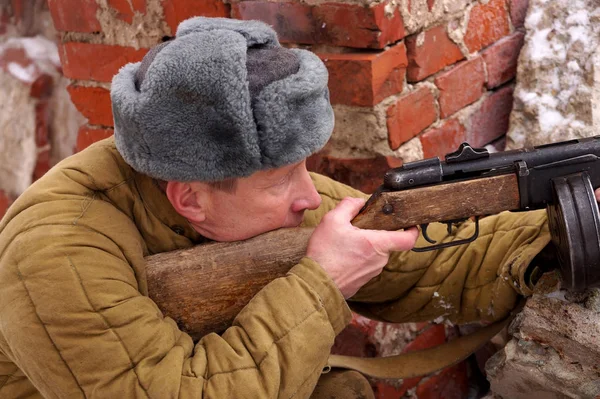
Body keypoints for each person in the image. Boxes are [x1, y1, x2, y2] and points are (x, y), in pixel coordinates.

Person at [0, 17, 554, 398]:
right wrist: (321, 282)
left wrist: (560, 229)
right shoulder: (54, 253)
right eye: (281, 179)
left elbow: (436, 259)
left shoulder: (241, 190)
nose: (311, 197)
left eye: (302, 166)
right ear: (190, 198)